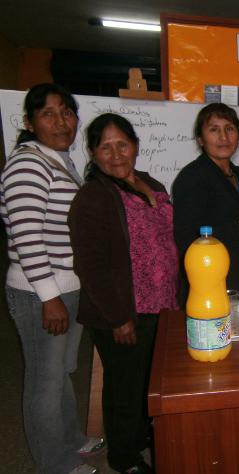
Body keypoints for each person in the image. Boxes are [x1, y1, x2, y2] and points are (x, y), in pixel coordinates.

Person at [0, 83, 102, 474]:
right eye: (48, 113)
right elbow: (27, 237)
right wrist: (49, 297)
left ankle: (71, 439)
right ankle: (55, 463)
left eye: (67, 112)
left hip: (65, 287)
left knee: (60, 373)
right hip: (40, 292)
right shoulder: (28, 164)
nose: (61, 122)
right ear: (30, 122)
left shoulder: (59, 160)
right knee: (44, 380)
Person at [69, 113, 179, 474]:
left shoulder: (151, 183)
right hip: (124, 312)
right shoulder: (93, 197)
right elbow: (91, 265)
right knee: (125, 388)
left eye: (123, 144)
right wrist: (119, 318)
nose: (116, 154)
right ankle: (123, 459)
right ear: (92, 153)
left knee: (149, 381)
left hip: (161, 305)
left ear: (135, 146)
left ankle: (139, 436)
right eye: (106, 147)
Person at [172, 103, 239, 296]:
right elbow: (188, 240)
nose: (223, 137)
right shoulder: (192, 177)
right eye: (214, 130)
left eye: (230, 129)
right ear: (200, 139)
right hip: (210, 286)